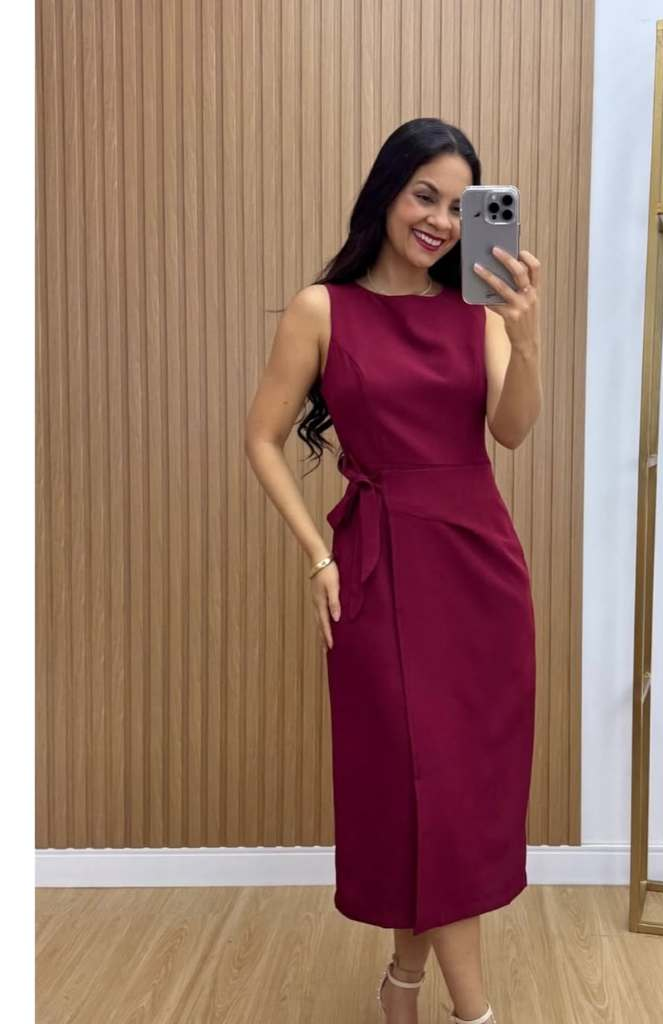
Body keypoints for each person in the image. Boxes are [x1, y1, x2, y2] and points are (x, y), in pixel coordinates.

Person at [245, 117, 543, 1024]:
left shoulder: (477, 312)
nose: (441, 221)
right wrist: (318, 554)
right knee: (424, 785)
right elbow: (261, 438)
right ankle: (476, 1014)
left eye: (458, 206)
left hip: (479, 570)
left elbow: (512, 431)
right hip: (377, 567)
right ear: (387, 191)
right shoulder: (321, 309)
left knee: (457, 792)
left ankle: (404, 983)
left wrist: (525, 337)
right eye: (425, 196)